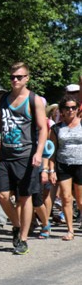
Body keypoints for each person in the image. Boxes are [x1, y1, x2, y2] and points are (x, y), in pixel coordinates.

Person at [0, 62, 47, 255]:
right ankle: (16, 224)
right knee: (2, 195)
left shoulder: (34, 100)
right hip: (6, 155)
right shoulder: (4, 99)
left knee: (25, 197)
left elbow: (42, 128)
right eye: (13, 77)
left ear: (27, 78)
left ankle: (23, 239)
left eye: (19, 77)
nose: (15, 80)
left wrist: (39, 153)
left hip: (26, 156)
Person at [46, 95, 82, 241]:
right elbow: (51, 151)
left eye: (73, 107)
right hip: (63, 165)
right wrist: (51, 169)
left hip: (80, 164)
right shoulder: (56, 128)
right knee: (66, 198)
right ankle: (70, 230)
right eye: (67, 108)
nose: (71, 110)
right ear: (61, 110)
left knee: (80, 200)